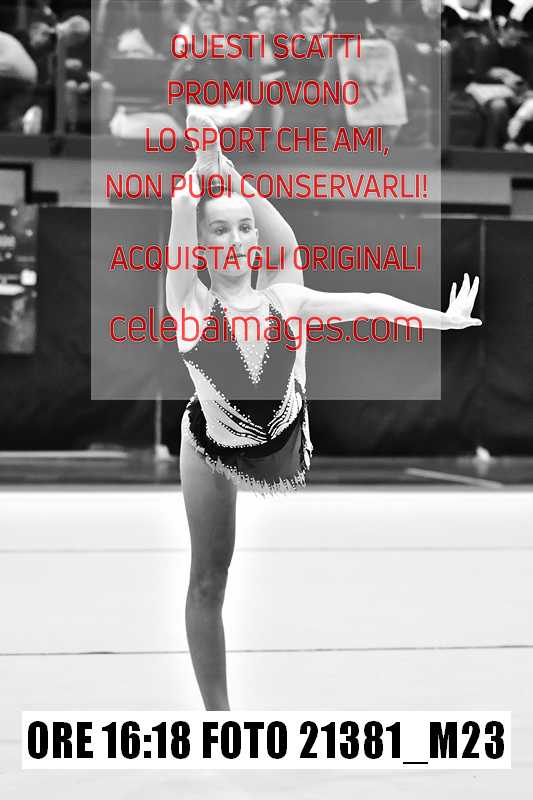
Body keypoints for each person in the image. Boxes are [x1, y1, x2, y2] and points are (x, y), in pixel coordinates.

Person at [167, 111, 482, 711]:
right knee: (208, 580)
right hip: (210, 442)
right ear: (200, 244)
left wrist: (439, 319)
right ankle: (219, 719)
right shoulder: (190, 306)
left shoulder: (287, 297)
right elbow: (184, 212)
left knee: (288, 252)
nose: (235, 241)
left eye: (243, 228)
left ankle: (222, 162)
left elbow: (369, 303)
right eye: (219, 232)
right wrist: (201, 164)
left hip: (281, 429)